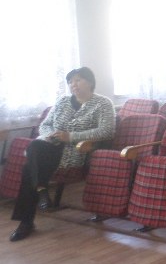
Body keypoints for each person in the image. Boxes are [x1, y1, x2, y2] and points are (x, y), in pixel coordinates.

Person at [10, 67, 115, 242]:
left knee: (29, 169)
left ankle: (26, 221)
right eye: (70, 81)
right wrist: (49, 135)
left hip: (76, 151)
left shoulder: (103, 103)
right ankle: (41, 190)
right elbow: (45, 125)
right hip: (51, 146)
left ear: (90, 82)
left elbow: (106, 131)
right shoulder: (62, 101)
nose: (74, 84)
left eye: (78, 80)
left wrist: (71, 136)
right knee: (35, 145)